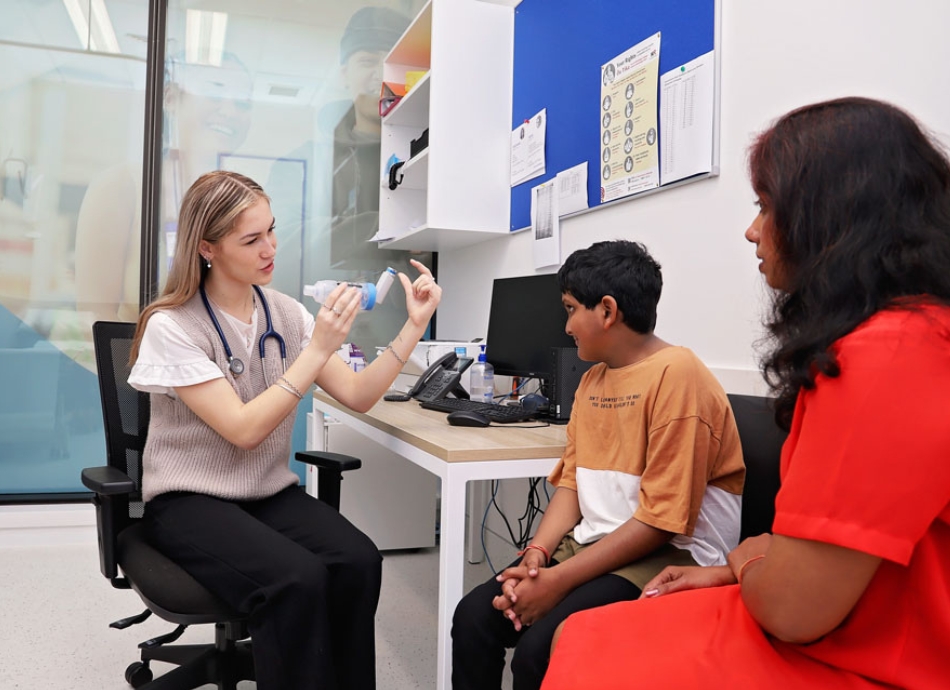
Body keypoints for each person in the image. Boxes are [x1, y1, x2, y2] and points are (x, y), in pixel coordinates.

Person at [541, 97, 950, 690]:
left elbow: (791, 607)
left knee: (584, 645)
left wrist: (744, 558)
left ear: (830, 218)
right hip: (837, 609)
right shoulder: (912, 336)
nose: (752, 230)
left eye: (765, 207)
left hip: (877, 650)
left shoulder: (882, 357)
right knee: (576, 635)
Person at [127, 170, 441, 690]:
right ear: (207, 247)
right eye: (251, 239)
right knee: (295, 579)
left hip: (264, 491)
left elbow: (360, 395)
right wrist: (317, 350)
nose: (270, 248)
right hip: (188, 500)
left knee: (358, 560)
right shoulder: (173, 326)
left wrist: (412, 326)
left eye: (271, 230)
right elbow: (244, 430)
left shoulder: (286, 314)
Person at [451, 240, 746, 690]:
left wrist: (555, 583)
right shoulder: (592, 380)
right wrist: (537, 558)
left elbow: (661, 523)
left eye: (570, 309)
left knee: (540, 652)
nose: (566, 325)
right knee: (474, 618)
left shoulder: (678, 376)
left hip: (670, 555)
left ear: (607, 311)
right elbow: (572, 483)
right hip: (596, 546)